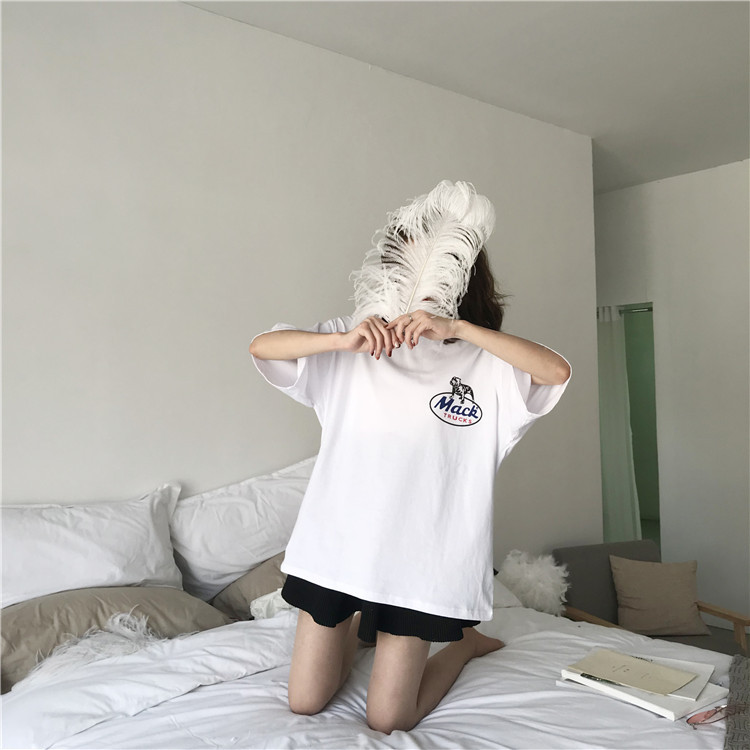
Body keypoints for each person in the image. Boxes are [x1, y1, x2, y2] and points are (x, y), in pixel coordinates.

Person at [249, 180, 570, 735]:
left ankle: (463, 644)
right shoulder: (352, 343)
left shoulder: (487, 364)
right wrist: (341, 341)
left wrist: (461, 329)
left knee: (389, 718)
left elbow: (556, 372)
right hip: (337, 548)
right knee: (305, 701)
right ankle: (358, 626)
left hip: (423, 564)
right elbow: (262, 347)